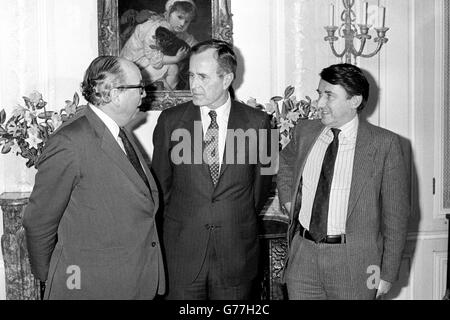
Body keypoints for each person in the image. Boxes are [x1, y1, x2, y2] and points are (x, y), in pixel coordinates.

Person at [22, 56, 165, 299]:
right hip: (89, 287)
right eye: (139, 87)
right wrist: (55, 277)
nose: (144, 94)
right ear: (115, 93)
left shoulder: (118, 132)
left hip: (131, 281)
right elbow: (39, 222)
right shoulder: (69, 142)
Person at [151, 39, 273, 299]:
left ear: (227, 78)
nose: (193, 85)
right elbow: (161, 187)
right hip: (182, 255)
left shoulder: (261, 123)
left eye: (203, 77)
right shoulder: (170, 122)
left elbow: (262, 186)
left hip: (236, 254)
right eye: (191, 75)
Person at [277, 63, 410, 300]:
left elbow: (396, 217)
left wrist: (387, 274)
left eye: (329, 95)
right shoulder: (305, 131)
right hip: (303, 257)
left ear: (354, 101)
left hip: (354, 264)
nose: (318, 103)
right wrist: (289, 201)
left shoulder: (385, 145)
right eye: (319, 94)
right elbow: (285, 162)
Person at [120, 0, 198, 90]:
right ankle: (169, 98)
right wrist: (177, 58)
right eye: (179, 17)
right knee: (173, 68)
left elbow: (194, 43)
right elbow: (155, 61)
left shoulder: (178, 31)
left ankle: (168, 94)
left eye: (187, 21)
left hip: (147, 66)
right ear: (169, 13)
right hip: (133, 69)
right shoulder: (156, 29)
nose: (182, 24)